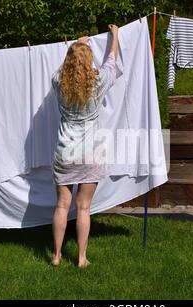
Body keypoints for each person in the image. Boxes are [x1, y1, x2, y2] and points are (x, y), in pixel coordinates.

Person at [50, 24, 120, 268]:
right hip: (90, 152)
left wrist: (75, 47)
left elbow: (62, 70)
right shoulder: (98, 81)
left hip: (65, 150)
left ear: (69, 61)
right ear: (89, 60)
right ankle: (81, 258)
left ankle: (57, 256)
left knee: (61, 205)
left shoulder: (58, 81)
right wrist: (116, 36)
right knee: (83, 207)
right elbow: (112, 61)